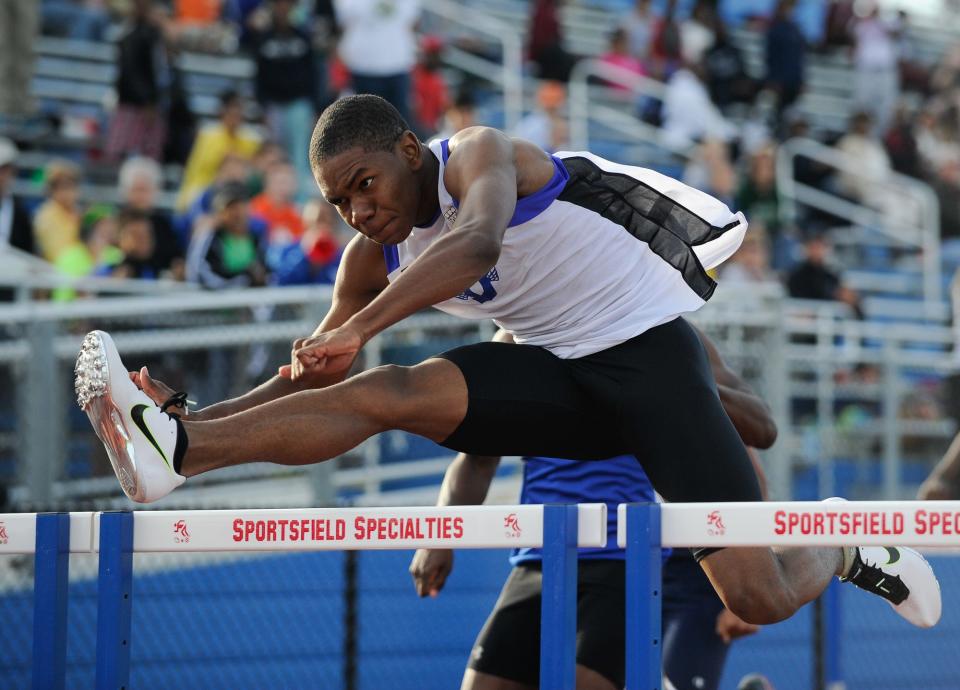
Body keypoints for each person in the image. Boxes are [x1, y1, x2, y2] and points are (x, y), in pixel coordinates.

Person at [76, 94, 941, 631]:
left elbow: (477, 242)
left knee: (754, 593)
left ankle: (840, 540)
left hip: (646, 354)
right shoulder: (365, 262)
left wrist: (365, 324)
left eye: (365, 184)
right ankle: (180, 458)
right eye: (338, 203)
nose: (357, 211)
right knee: (390, 392)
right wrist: (186, 418)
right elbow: (311, 369)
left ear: (409, 149)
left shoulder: (479, 155)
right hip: (559, 373)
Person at [408, 327, 776, 690]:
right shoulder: (515, 336)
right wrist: (439, 536)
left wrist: (682, 379)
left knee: (586, 683)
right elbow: (476, 460)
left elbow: (762, 427)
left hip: (623, 557)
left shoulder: (660, 328)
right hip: (539, 556)